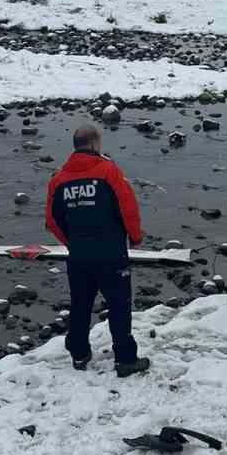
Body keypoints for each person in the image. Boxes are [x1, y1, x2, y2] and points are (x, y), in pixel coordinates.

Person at [45, 124, 148, 376]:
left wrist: (71, 243)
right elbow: (128, 207)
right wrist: (135, 237)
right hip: (111, 254)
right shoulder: (108, 171)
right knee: (119, 306)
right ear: (93, 144)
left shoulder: (58, 179)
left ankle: (79, 354)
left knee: (80, 304)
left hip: (79, 256)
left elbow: (52, 220)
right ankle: (125, 359)